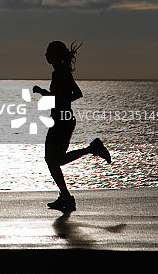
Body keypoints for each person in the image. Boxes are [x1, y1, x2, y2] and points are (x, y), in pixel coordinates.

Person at [33, 40, 111, 213]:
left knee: (52, 160)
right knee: (56, 160)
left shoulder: (60, 73)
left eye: (48, 52)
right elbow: (65, 95)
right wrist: (46, 94)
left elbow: (74, 94)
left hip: (62, 121)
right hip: (62, 120)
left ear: (54, 55)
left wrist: (50, 96)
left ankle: (67, 196)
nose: (45, 55)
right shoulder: (61, 72)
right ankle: (66, 196)